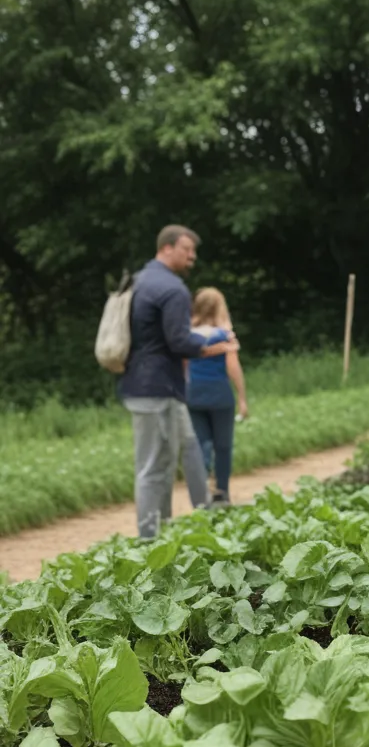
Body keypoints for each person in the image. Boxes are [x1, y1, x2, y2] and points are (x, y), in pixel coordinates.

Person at [120, 225, 237, 537]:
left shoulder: (140, 279)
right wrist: (215, 345)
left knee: (188, 448)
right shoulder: (172, 289)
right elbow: (179, 342)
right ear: (167, 248)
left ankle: (202, 517)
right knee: (153, 466)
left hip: (156, 386)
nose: (192, 257)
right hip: (155, 389)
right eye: (187, 250)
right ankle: (150, 539)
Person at [187, 287, 248, 505]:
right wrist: (242, 396)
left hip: (193, 393)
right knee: (222, 445)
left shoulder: (188, 336)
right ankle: (221, 492)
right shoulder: (224, 337)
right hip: (219, 393)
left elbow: (184, 365)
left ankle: (201, 490)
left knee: (201, 442)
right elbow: (233, 368)